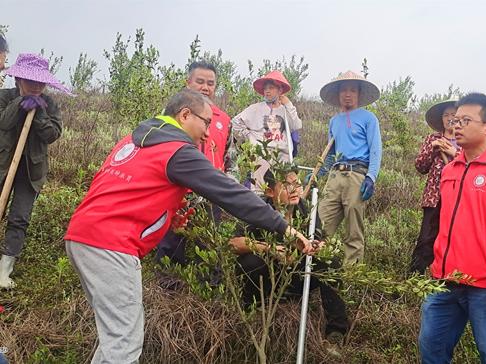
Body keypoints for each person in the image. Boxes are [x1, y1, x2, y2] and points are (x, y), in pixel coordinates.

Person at [64, 89, 314, 363]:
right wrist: (284, 227)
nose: (208, 133)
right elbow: (230, 193)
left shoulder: (134, 141)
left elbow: (124, 191)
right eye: (206, 122)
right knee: (124, 344)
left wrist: (165, 216)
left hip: (81, 237)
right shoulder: (178, 150)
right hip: (111, 245)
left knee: (113, 337)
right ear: (184, 115)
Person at [419, 93, 486, 364]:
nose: (457, 126)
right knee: (430, 348)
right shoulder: (450, 169)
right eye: (456, 120)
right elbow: (438, 220)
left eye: (466, 120)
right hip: (445, 281)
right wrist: (431, 260)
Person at [230, 167, 349, 347]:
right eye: (286, 186)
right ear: (270, 192)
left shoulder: (306, 207)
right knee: (249, 262)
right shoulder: (258, 209)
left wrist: (319, 246)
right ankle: (253, 311)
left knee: (331, 261)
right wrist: (269, 248)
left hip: (297, 275)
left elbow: (319, 237)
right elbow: (233, 243)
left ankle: (336, 331)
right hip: (268, 277)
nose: (294, 190)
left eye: (297, 184)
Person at [0, 54, 69, 289]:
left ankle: (4, 269)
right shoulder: (4, 97)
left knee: (19, 218)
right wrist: (19, 105)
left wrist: (39, 114)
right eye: (31, 81)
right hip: (2, 165)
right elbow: (3, 123)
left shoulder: (49, 104)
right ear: (19, 78)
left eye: (41, 82)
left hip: (31, 171)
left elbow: (52, 135)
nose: (37, 87)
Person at [155, 61, 232, 266]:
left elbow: (228, 156)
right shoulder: (173, 113)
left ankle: (206, 287)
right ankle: (168, 285)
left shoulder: (223, 119)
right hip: (178, 189)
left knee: (208, 243)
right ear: (188, 83)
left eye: (210, 83)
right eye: (200, 81)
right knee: (172, 240)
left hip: (210, 192)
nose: (205, 87)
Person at [317, 71, 382, 265]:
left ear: (359, 94)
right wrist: (319, 173)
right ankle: (315, 271)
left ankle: (350, 277)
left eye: (352, 90)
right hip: (335, 176)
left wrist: (371, 177)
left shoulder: (369, 118)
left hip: (357, 175)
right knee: (319, 224)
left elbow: (376, 150)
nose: (348, 94)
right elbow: (330, 153)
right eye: (344, 90)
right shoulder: (334, 121)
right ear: (338, 94)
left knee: (353, 230)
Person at [409, 99, 459, 274]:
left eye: (454, 115)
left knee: (450, 238)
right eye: (446, 115)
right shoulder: (433, 138)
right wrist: (433, 148)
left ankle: (442, 276)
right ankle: (415, 275)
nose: (450, 118)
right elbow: (420, 166)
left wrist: (454, 153)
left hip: (457, 199)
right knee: (426, 237)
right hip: (434, 197)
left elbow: (472, 164)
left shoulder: (463, 141)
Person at [232, 70, 302, 189]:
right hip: (261, 155)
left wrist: (289, 104)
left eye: (271, 88)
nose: (267, 91)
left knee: (283, 192)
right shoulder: (255, 109)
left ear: (280, 90)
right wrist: (248, 136)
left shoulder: (285, 111)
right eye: (265, 88)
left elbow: (296, 125)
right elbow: (235, 123)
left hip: (282, 157)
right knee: (260, 190)